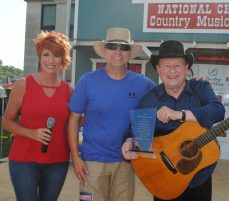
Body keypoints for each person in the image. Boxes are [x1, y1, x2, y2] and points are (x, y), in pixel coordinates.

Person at [122, 40, 225, 201]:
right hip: (165, 178)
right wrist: (129, 141)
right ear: (158, 69)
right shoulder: (150, 100)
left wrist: (179, 114)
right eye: (166, 66)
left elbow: (218, 112)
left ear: (186, 68)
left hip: (199, 177)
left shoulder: (200, 88)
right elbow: (137, 134)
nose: (172, 71)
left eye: (177, 66)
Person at [67, 27, 155, 201]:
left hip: (126, 164)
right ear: (105, 51)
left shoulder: (143, 84)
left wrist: (194, 83)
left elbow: (169, 94)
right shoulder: (87, 81)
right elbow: (73, 120)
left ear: (129, 54)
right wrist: (75, 157)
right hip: (91, 164)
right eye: (113, 46)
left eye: (124, 48)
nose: (118, 52)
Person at [3, 31, 72, 201]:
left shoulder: (69, 91)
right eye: (46, 54)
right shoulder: (24, 85)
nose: (51, 60)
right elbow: (6, 121)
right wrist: (31, 133)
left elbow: (73, 124)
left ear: (63, 59)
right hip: (23, 160)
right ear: (39, 56)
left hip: (58, 161)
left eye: (56, 55)